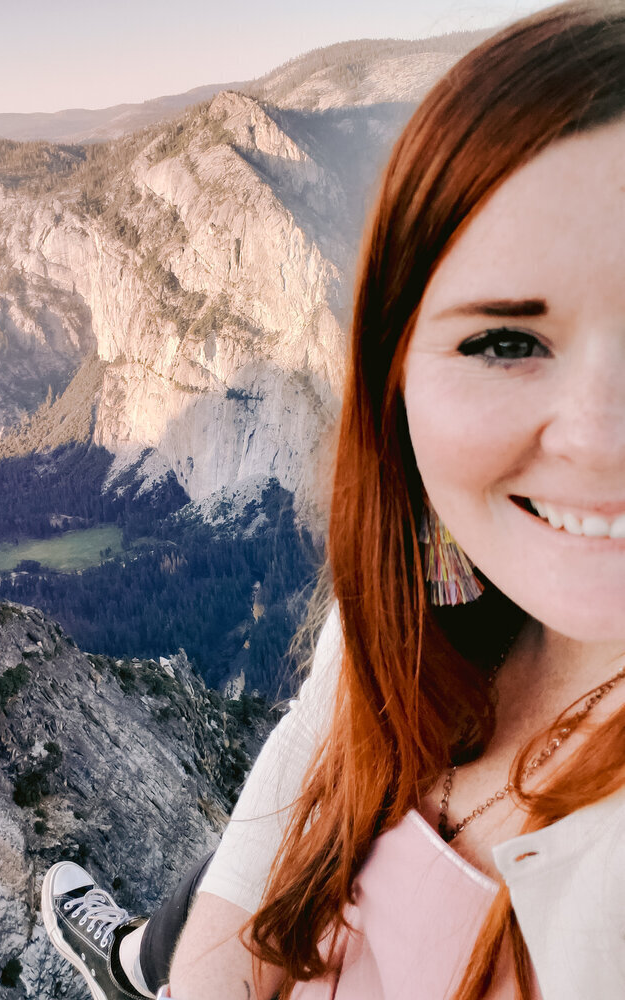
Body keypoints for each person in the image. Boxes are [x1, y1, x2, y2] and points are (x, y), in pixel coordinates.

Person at [42, 2, 625, 997]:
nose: (604, 438)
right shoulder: (415, 613)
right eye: (506, 340)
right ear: (396, 376)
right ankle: (139, 956)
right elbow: (292, 795)